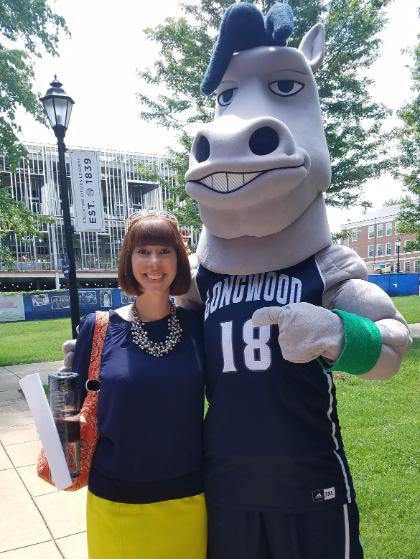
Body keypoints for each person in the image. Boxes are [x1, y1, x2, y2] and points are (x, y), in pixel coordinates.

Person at [72, 210, 206, 559]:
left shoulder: (198, 327)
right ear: (128, 260)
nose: (154, 262)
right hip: (117, 498)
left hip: (188, 495)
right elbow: (75, 407)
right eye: (143, 251)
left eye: (165, 251)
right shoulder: (98, 327)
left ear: (179, 258)